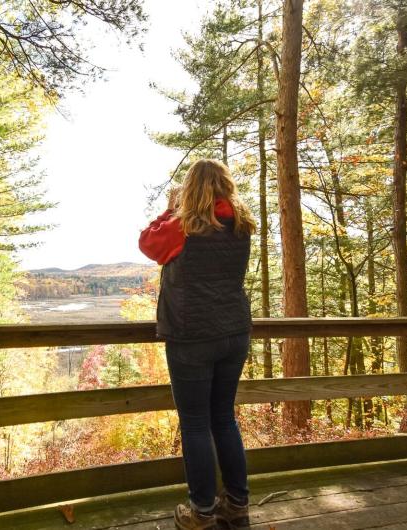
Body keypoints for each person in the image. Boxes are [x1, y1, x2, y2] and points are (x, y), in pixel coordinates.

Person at [139, 159, 257, 530]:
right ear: (225, 185)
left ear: (190, 189)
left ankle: (202, 512)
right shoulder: (241, 225)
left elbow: (147, 243)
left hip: (192, 336)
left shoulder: (183, 226)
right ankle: (236, 503)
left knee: (194, 424)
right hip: (234, 332)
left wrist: (172, 208)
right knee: (223, 417)